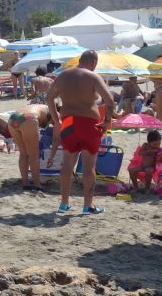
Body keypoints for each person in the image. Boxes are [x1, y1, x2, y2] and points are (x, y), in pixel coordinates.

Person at [46, 49, 116, 216]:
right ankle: (87, 205)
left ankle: (63, 204)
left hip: (68, 122)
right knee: (89, 165)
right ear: (93, 62)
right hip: (88, 122)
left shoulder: (62, 76)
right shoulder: (92, 76)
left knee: (68, 163)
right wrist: (106, 121)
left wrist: (56, 120)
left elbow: (49, 98)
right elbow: (110, 100)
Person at [7, 104, 51, 192]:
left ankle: (25, 183)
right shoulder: (52, 111)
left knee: (23, 153)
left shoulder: (38, 106)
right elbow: (57, 124)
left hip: (13, 118)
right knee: (34, 154)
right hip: (29, 118)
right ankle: (37, 184)